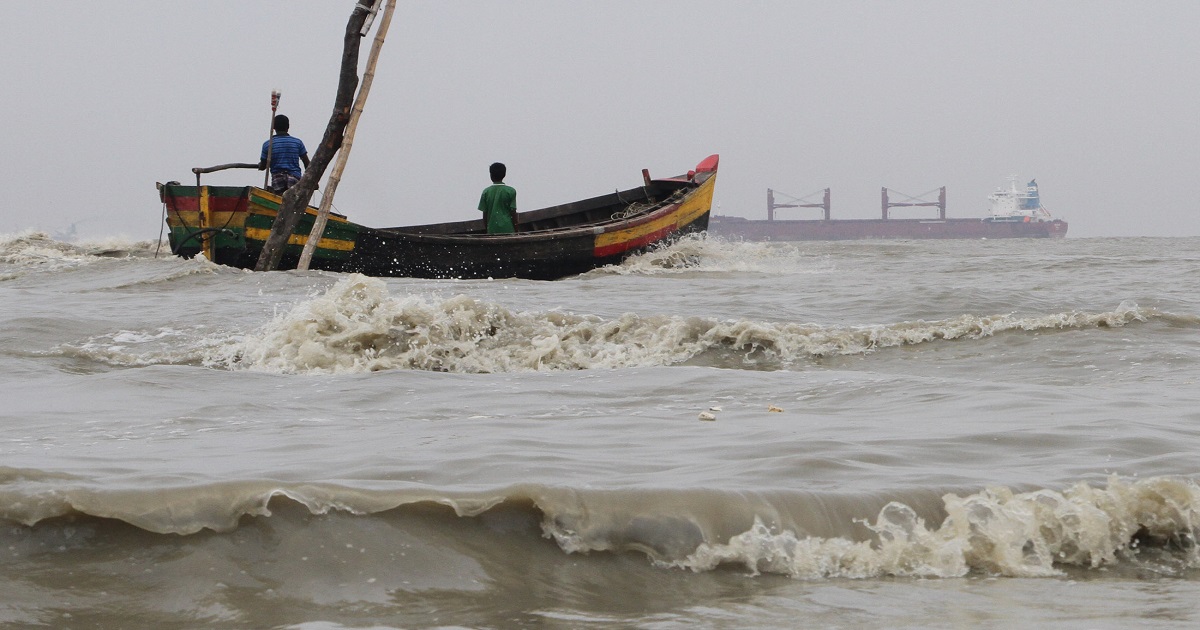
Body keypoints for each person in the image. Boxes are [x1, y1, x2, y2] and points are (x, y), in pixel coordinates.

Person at [258, 114, 310, 192]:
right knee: (293, 199)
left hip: (278, 178)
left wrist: (260, 165)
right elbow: (307, 163)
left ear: (273, 127)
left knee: (280, 200)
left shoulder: (268, 144)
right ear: (288, 127)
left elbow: (263, 166)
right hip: (294, 178)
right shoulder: (297, 143)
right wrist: (311, 180)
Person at [478, 162, 517, 234]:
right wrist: (516, 230)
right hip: (508, 229)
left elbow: (485, 214)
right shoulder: (511, 191)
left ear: (491, 175)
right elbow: (513, 213)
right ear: (504, 174)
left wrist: (487, 230)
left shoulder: (486, 192)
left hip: (492, 230)